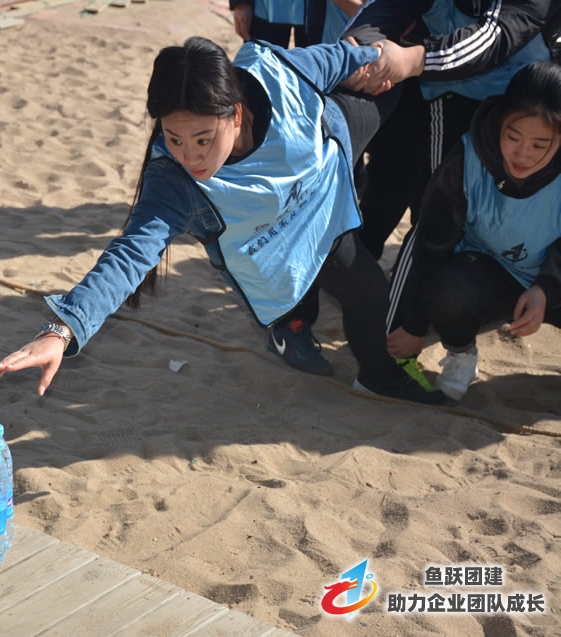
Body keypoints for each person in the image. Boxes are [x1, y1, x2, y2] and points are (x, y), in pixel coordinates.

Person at [0, 36, 445, 405]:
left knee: (394, 81)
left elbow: (339, 57)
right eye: (174, 138)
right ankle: (348, 360)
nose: (190, 156)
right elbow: (128, 256)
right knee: (368, 289)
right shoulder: (174, 183)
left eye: (203, 139)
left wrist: (386, 56)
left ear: (236, 113)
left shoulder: (276, 74)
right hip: (282, 241)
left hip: (326, 170)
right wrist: (62, 329)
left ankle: (370, 364)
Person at [386, 61, 561, 400]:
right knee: (451, 293)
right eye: (513, 137)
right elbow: (430, 244)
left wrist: (545, 288)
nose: (523, 154)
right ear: (499, 121)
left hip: (547, 276)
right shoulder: (467, 158)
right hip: (484, 270)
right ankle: (461, 352)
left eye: (540, 145)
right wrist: (414, 324)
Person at [341, 0, 561, 262]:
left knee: (511, 198)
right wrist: (361, 48)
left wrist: (413, 59)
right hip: (449, 91)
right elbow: (388, 6)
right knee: (434, 198)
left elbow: (496, 34)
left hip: (526, 103)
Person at [228, 0, 367, 376]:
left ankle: (334, 291)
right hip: (298, 34)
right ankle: (292, 324)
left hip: (351, 49)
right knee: (288, 185)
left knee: (343, 178)